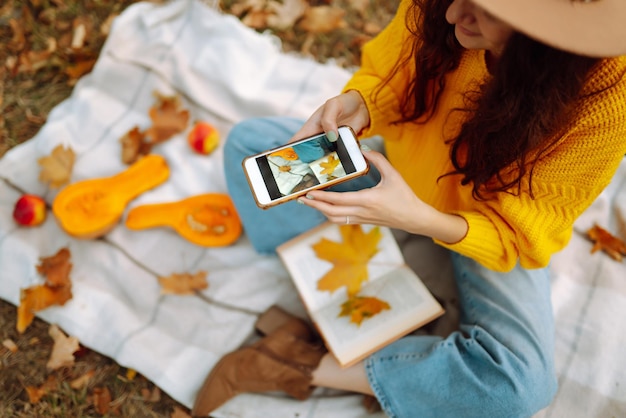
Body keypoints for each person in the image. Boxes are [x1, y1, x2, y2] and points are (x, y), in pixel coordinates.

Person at [192, 0, 626, 416]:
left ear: (549, 39)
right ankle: (342, 295)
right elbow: (392, 70)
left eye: (489, 11)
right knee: (251, 148)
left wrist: (418, 218)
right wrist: (360, 103)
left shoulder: (608, 96)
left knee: (517, 387)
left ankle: (296, 363)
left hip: (490, 222)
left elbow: (524, 235)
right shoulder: (446, 6)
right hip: (404, 167)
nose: (455, 14)